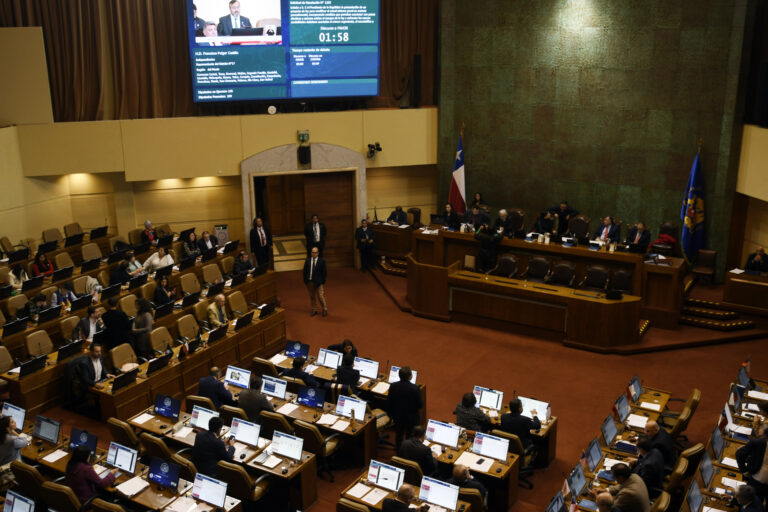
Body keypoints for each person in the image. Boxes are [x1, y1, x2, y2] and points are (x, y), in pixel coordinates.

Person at [386, 366, 422, 447]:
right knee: (410, 435)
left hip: (397, 415)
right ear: (410, 377)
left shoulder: (393, 386)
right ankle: (408, 450)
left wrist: (390, 414)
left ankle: (398, 448)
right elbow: (420, 405)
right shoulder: (415, 388)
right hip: (411, 418)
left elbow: (389, 402)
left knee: (399, 433)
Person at [736, 423, 768, 506]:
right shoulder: (758, 442)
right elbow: (739, 454)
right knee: (749, 505)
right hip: (757, 482)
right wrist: (744, 471)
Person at [303, 246, 328, 317]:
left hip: (318, 282)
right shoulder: (307, 260)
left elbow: (324, 273)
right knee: (312, 296)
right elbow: (304, 271)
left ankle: (324, 309)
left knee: (320, 296)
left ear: (318, 253)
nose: (314, 254)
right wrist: (306, 280)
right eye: (312, 252)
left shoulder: (321, 261)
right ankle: (314, 309)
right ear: (311, 253)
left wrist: (322, 281)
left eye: (315, 253)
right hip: (309, 282)